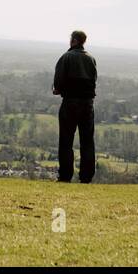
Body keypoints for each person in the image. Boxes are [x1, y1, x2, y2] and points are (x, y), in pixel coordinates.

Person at [52, 30, 97, 183]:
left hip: (70, 104)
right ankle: (86, 177)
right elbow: (94, 81)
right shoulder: (91, 59)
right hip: (88, 105)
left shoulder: (66, 58)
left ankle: (65, 176)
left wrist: (58, 89)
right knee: (87, 141)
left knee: (66, 141)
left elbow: (58, 84)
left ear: (74, 41)